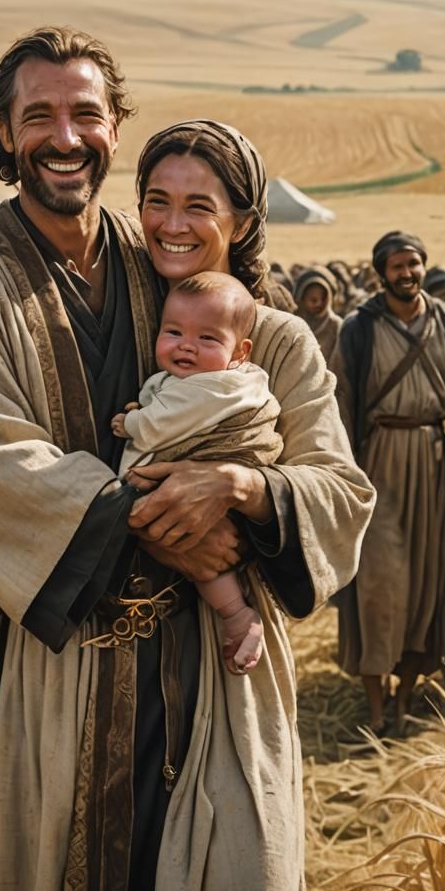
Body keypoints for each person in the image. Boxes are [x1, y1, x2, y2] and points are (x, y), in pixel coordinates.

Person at [0, 27, 373, 891]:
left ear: (114, 129)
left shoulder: (186, 292)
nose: (66, 137)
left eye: (87, 115)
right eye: (39, 116)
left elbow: (337, 487)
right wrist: (180, 533)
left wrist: (240, 489)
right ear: (2, 132)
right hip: (57, 678)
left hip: (213, 675)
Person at [332, 230, 445, 735]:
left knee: (428, 586)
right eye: (398, 266)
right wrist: (340, 479)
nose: (408, 273)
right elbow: (336, 408)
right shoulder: (358, 329)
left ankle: (406, 700)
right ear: (381, 273)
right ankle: (376, 708)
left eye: (415, 264)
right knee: (380, 587)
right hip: (376, 468)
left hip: (435, 469)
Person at [112, 270, 282, 675]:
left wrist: (130, 423)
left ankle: (237, 615)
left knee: (204, 555)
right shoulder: (226, 379)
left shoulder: (206, 387)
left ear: (239, 352)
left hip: (214, 481)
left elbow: (160, 424)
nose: (187, 346)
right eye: (173, 332)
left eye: (207, 339)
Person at [293, 264, 342, 363]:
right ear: (302, 299)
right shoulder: (294, 325)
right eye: (313, 299)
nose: (319, 303)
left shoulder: (336, 325)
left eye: (323, 299)